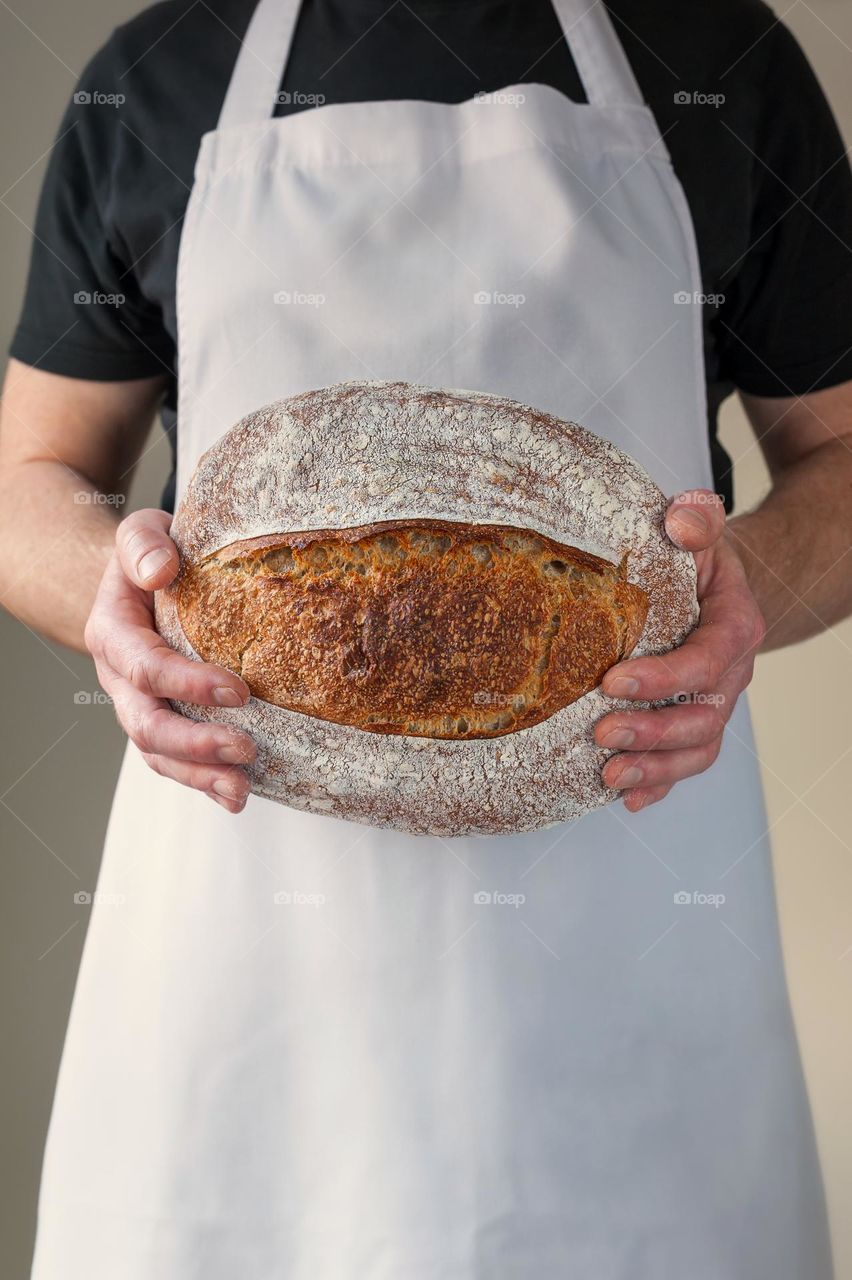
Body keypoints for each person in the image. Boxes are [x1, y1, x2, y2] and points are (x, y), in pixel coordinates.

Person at [2, 0, 851, 1275]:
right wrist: (112, 610)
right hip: (244, 942)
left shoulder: (723, 60)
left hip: (632, 910)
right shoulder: (159, 75)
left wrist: (744, 604)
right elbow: (32, 473)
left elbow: (842, 455)